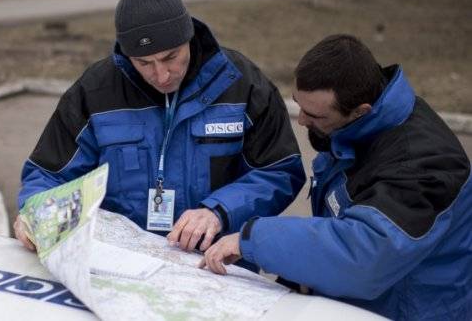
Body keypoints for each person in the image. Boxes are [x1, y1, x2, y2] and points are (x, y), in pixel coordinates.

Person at [14, 0, 305, 253]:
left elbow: (279, 171)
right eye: (144, 63)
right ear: (127, 55)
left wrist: (220, 211)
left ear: (189, 37)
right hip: (123, 263)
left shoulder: (242, 84)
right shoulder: (95, 92)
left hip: (216, 263)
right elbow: (48, 173)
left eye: (171, 57)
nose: (162, 75)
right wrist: (34, 213)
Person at [200, 34, 471, 321]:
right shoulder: (356, 128)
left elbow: (364, 256)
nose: (302, 121)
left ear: (359, 112)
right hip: (360, 305)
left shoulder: (425, 165)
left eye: (315, 115)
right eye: (298, 105)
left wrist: (252, 240)